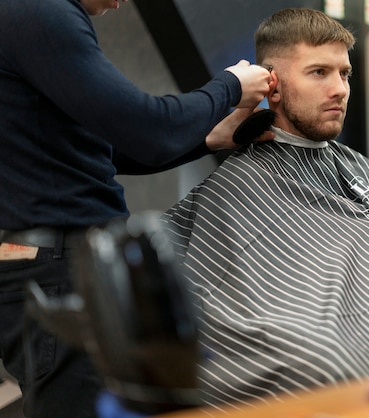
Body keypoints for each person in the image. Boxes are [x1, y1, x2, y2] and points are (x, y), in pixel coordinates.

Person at [0, 0, 274, 417]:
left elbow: (107, 147)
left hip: (53, 260)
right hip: (58, 266)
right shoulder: (39, 10)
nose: (124, 1)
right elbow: (148, 129)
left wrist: (210, 139)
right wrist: (230, 87)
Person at [162, 7, 369, 409]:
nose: (339, 89)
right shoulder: (242, 183)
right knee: (330, 367)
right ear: (273, 86)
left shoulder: (363, 171)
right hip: (313, 361)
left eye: (344, 74)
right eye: (319, 72)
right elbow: (223, 310)